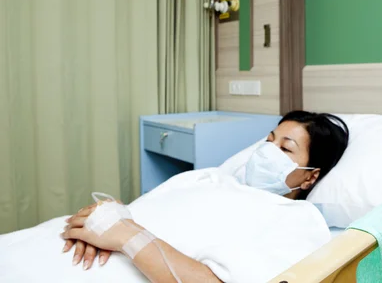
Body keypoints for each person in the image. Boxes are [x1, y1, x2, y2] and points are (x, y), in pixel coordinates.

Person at [59, 111, 349, 282]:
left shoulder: (297, 219)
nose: (267, 151)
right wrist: (100, 220)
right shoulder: (209, 177)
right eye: (269, 140)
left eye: (285, 149)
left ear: (311, 176)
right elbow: (137, 212)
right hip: (72, 254)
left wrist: (125, 236)